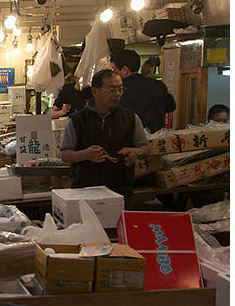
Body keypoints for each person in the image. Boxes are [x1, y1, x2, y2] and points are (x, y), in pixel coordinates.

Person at [59, 68, 150, 198]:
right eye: (111, 90)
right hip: (85, 190)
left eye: (120, 89)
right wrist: (85, 154)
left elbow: (146, 149)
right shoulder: (78, 120)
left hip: (121, 190)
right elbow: (65, 155)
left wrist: (136, 152)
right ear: (95, 91)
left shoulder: (130, 117)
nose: (117, 94)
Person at [112, 49, 176, 133]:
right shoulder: (158, 86)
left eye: (115, 70)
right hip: (157, 138)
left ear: (125, 70)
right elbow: (171, 106)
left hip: (130, 140)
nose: (114, 74)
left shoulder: (118, 90)